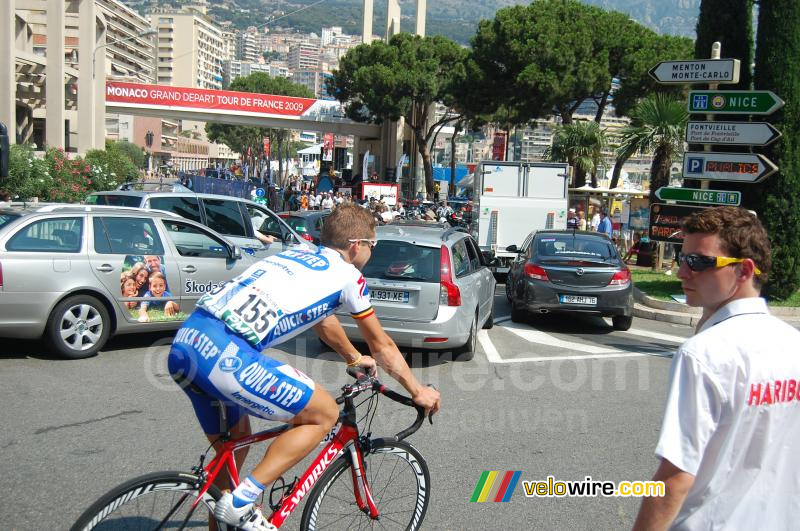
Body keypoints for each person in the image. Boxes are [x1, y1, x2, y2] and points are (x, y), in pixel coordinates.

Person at [167, 204, 440, 531]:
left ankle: (232, 504)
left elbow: (323, 320)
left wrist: (352, 357)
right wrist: (418, 390)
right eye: (372, 244)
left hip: (188, 341)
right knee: (324, 413)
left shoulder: (296, 254)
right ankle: (244, 503)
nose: (371, 252)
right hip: (227, 354)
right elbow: (382, 345)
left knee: (232, 454)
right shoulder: (348, 276)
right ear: (355, 246)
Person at [633, 206, 800, 530]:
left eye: (699, 262)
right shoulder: (794, 343)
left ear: (744, 270)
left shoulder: (702, 355)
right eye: (683, 259)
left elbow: (676, 477)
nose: (683, 272)